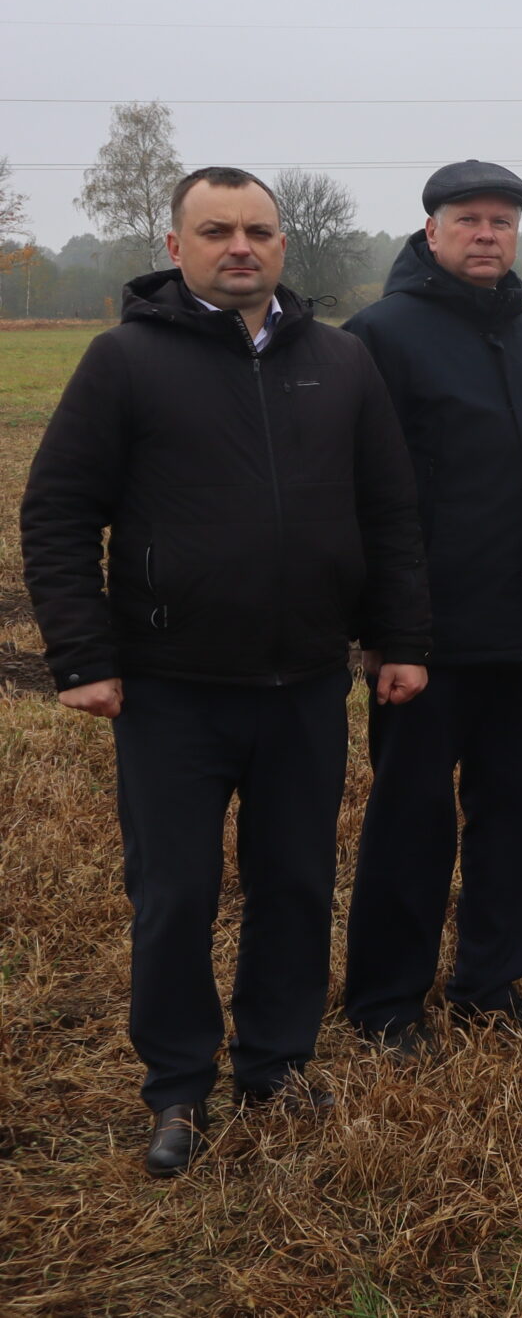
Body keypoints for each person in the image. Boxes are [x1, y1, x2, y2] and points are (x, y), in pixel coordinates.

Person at [20, 167, 430, 1176]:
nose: (238, 246)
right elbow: (60, 513)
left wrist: (400, 638)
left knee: (294, 884)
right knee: (176, 893)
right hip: (171, 690)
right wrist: (83, 656)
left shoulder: (340, 364)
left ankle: (275, 1065)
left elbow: (389, 513)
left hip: (304, 684)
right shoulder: (124, 362)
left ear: (283, 245)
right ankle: (176, 1088)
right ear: (176, 246)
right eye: (216, 230)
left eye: (257, 230)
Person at [338, 162, 522, 1049]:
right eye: (469, 219)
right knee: (411, 827)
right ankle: (386, 1001)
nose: (487, 233)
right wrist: (384, 630)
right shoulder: (379, 337)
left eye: (503, 220)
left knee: (518, 820)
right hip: (426, 643)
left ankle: (491, 981)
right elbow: (360, 498)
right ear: (431, 231)